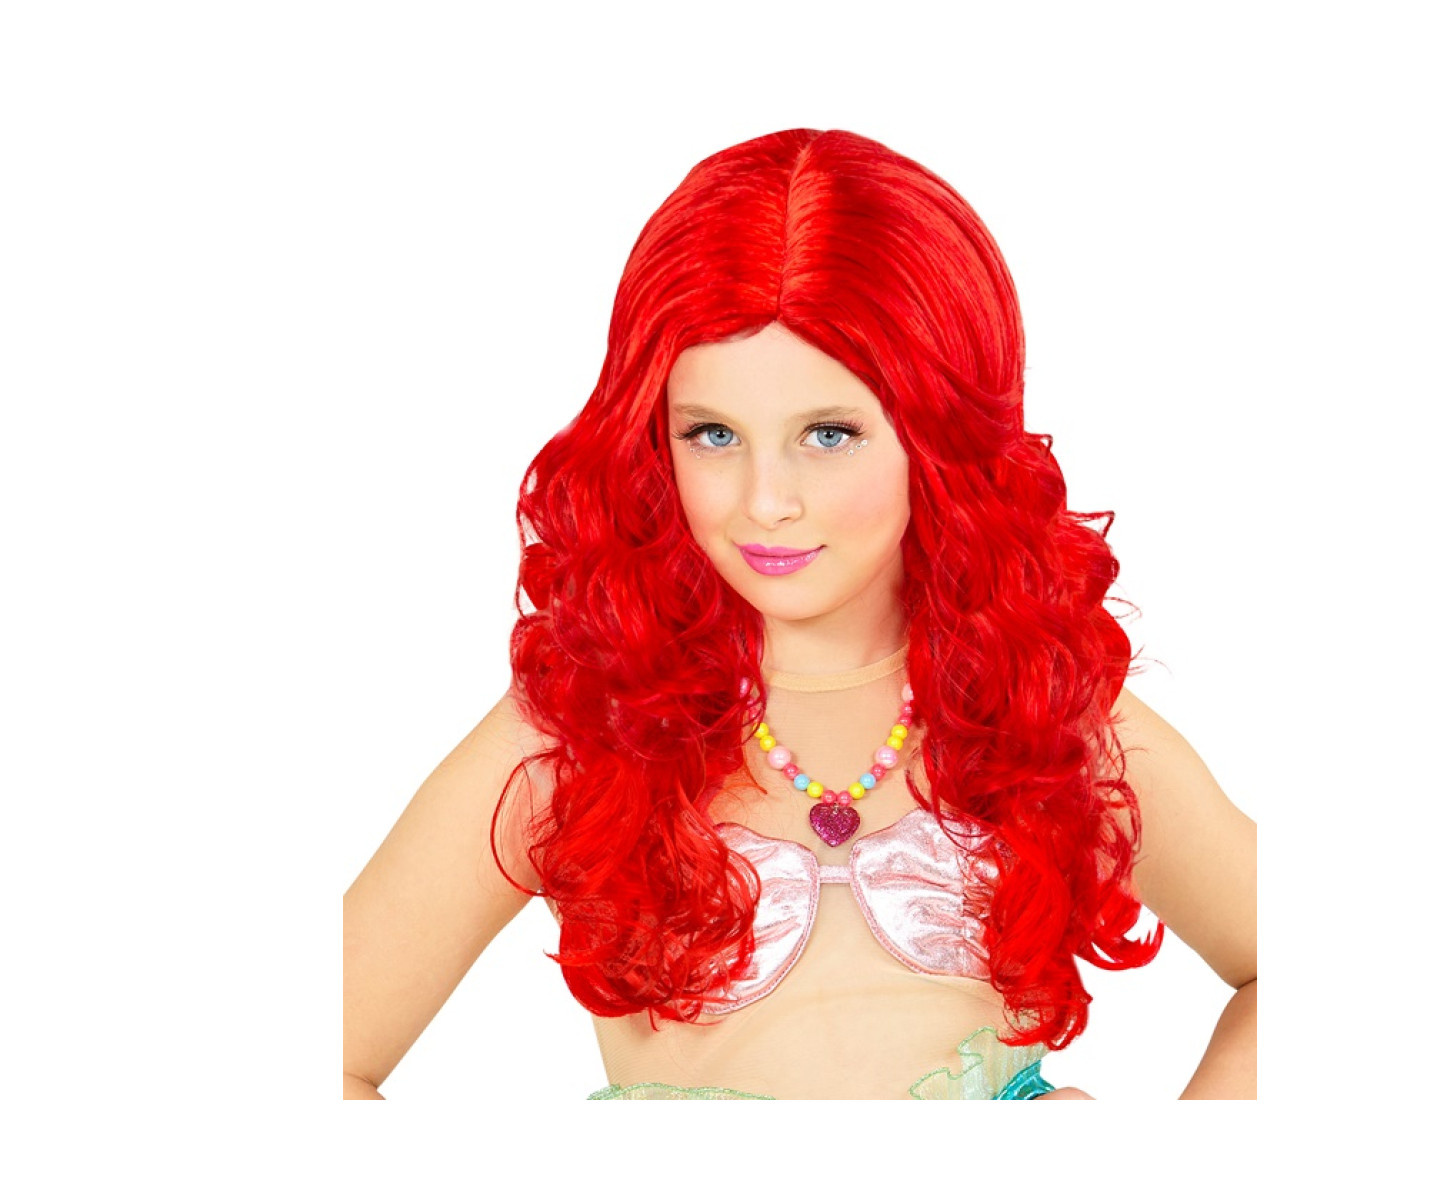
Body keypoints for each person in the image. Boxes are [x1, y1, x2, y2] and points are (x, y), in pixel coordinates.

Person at [342, 128, 1257, 1100]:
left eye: (827, 435)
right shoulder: (579, 731)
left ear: (940, 434)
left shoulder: (1046, 720)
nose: (765, 500)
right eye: (712, 434)